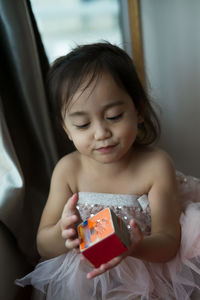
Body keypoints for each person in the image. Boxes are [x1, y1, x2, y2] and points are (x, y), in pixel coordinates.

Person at [16, 42, 200, 299]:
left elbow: (168, 241)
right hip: (82, 280)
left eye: (114, 116)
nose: (101, 133)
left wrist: (135, 247)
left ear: (138, 110)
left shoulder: (156, 166)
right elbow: (43, 244)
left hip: (148, 278)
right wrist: (62, 233)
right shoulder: (69, 170)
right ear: (66, 129)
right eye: (82, 124)